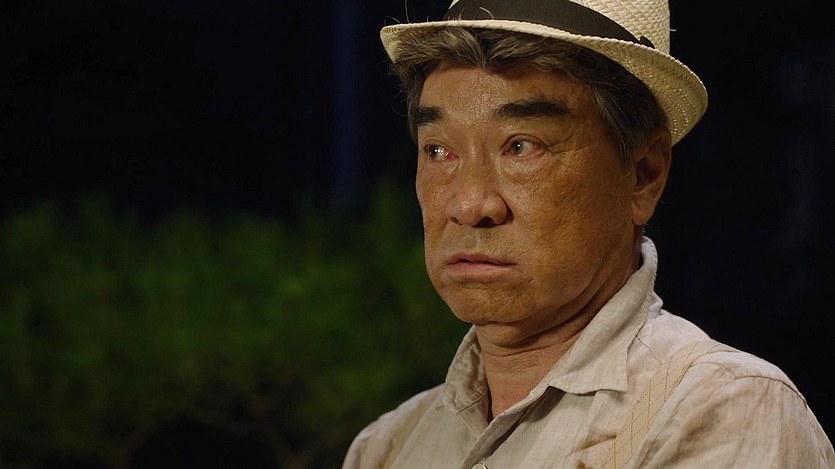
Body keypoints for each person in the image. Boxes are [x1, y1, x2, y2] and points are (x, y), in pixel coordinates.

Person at [343, 0, 835, 467]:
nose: (469, 205)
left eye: (522, 147)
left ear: (643, 175)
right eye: (438, 151)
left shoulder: (721, 412)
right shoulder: (386, 447)